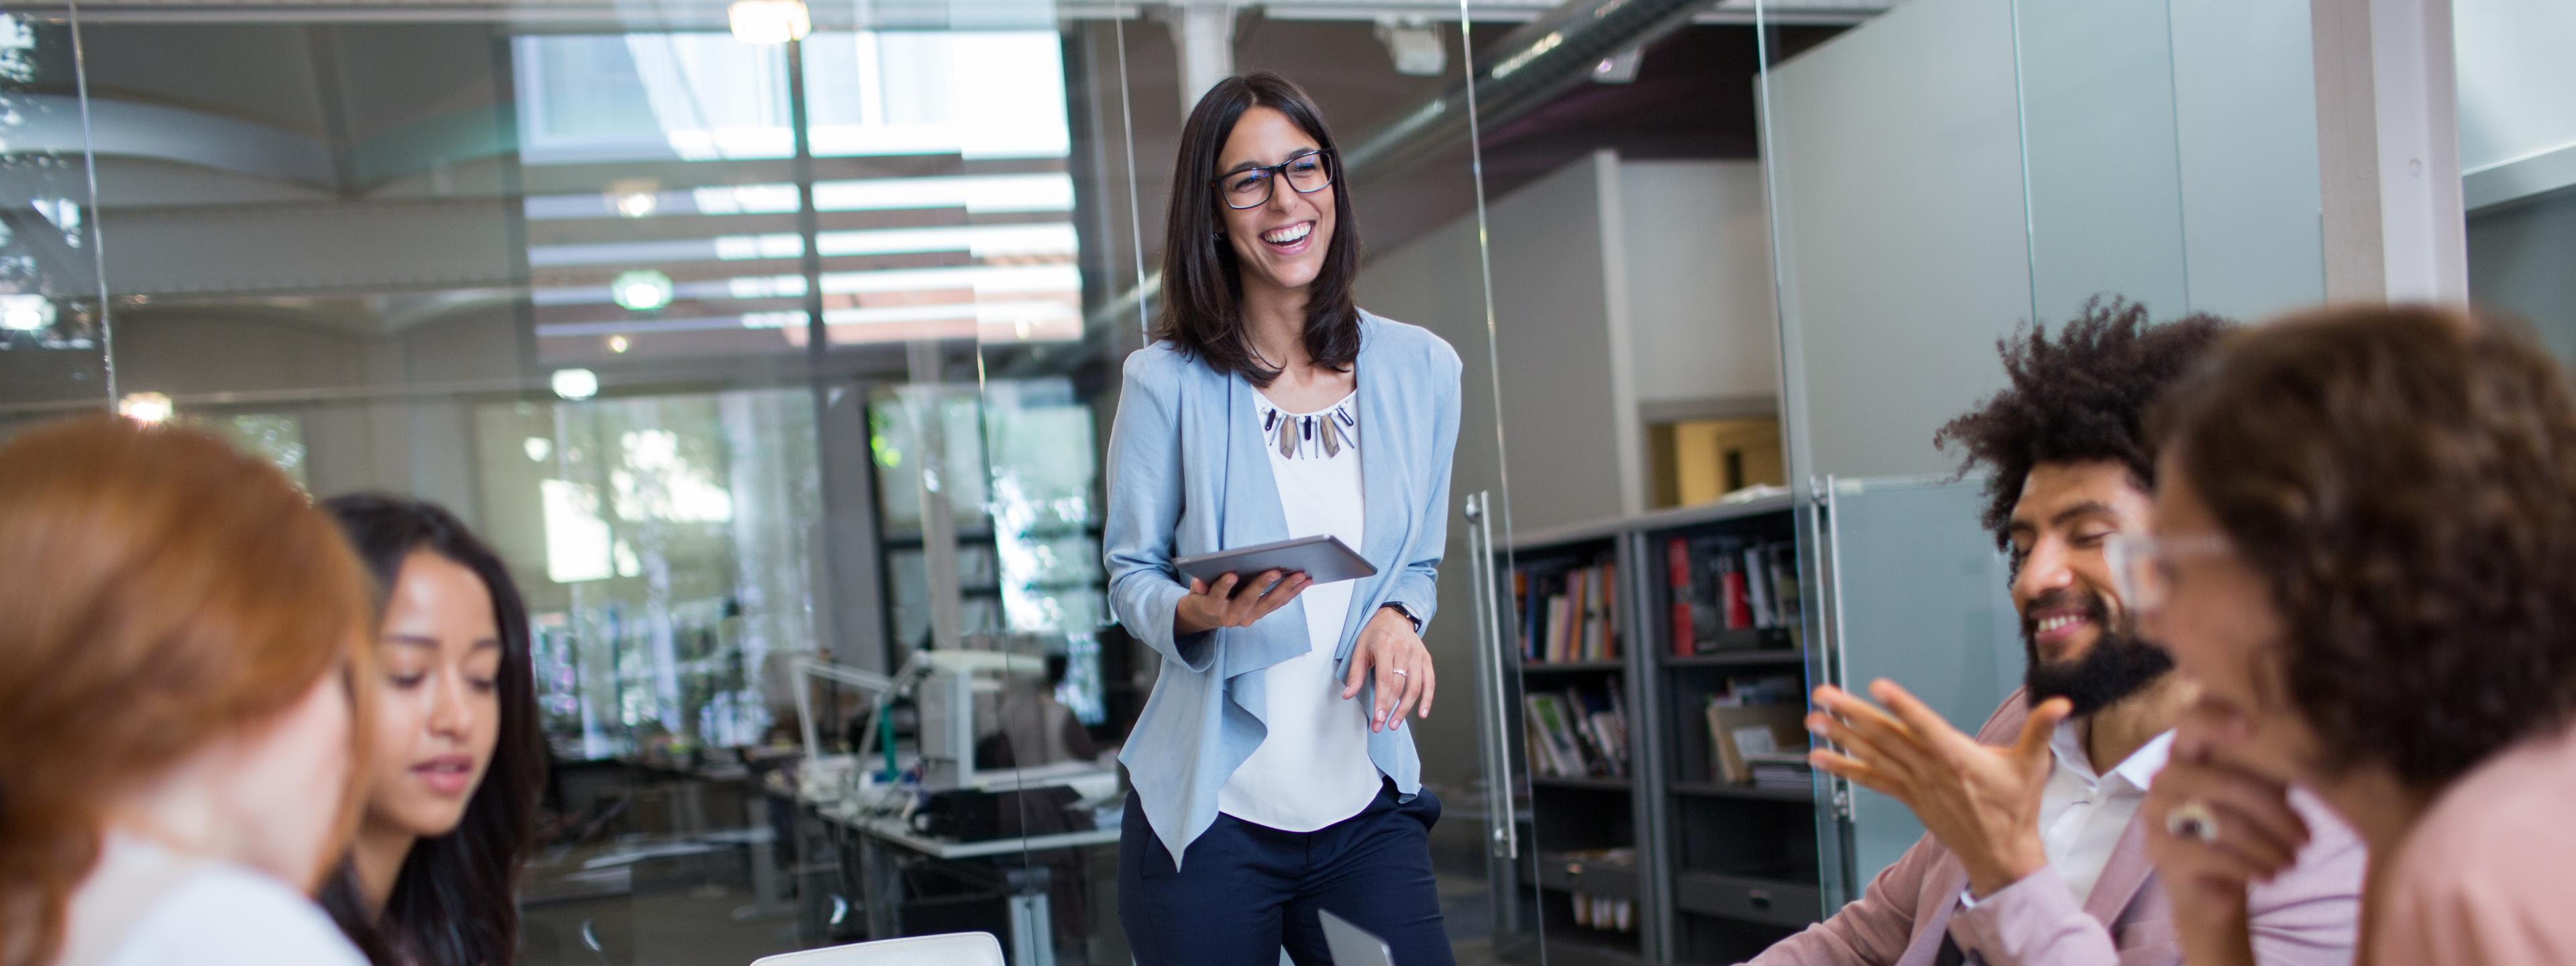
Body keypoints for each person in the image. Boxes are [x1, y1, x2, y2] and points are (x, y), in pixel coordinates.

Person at [1750, 299, 2365, 966]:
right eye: (2023, 544)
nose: (2033, 577)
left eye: (2090, 537)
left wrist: (2010, 875)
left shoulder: (2319, 814)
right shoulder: (2022, 729)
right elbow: (1873, 937)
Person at [1105, 70, 1462, 966]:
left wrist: (1397, 618)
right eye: (1249, 180)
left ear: (1333, 182)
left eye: (1305, 169)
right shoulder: (1168, 383)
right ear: (1212, 211)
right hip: (1213, 818)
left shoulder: (1423, 370)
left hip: (1363, 810)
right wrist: (1200, 612)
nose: (1285, 200)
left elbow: (1416, 561)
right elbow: (1130, 576)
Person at [2131, 305, 2576, 965]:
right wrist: (2210, 922)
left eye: (2170, 567)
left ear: (2311, 575)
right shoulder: (2472, 820)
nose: (2150, 620)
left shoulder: (2467, 882)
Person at [0, 416, 377, 966]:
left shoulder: (41, 916)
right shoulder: (222, 931)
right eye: (337, 672)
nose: (348, 743)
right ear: (252, 675)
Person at [314, 495, 545, 966]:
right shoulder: (251, 938)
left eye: (482, 678)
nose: (458, 718)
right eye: (407, 674)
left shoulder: (439, 925)